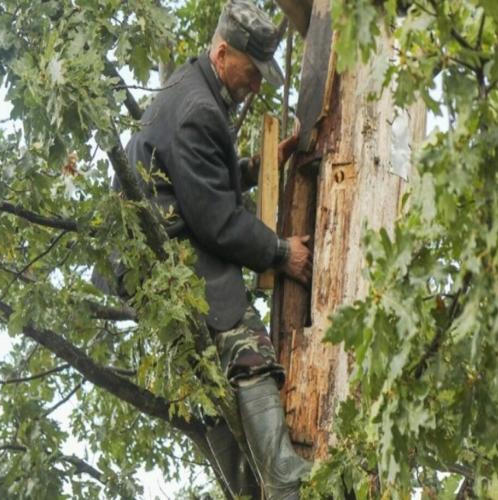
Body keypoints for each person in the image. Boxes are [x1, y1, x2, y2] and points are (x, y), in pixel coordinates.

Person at [122, 1, 313, 498]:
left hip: (157, 253)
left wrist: (258, 166)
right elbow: (216, 222)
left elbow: (199, 181)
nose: (254, 85)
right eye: (251, 74)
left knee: (213, 386)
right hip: (171, 256)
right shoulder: (199, 110)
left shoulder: (195, 85)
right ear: (223, 52)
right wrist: (279, 251)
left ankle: (250, 492)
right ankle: (288, 482)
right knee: (247, 351)